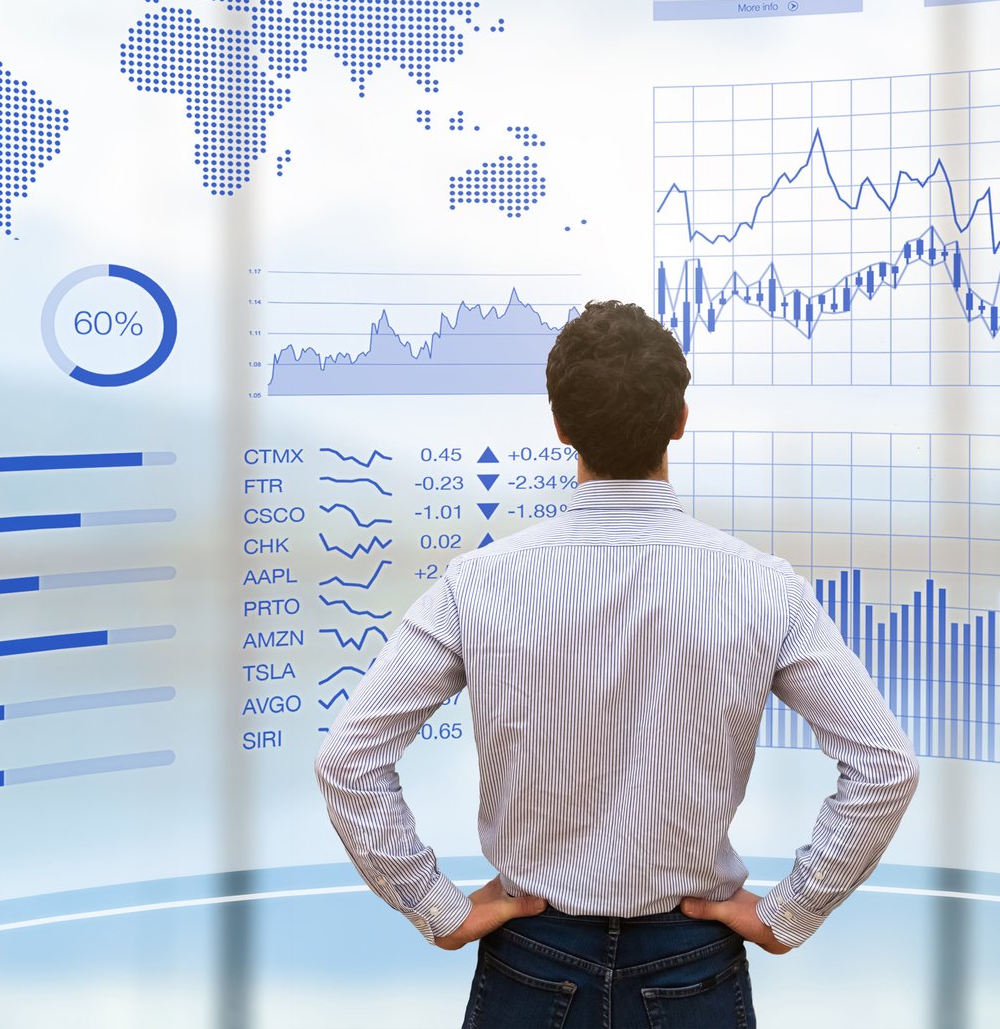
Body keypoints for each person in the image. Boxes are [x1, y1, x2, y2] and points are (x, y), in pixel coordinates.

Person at [315, 300, 920, 1027]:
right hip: (693, 966)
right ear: (680, 420)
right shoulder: (763, 587)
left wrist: (434, 905)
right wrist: (788, 912)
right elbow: (886, 766)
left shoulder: (476, 584)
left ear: (560, 427)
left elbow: (347, 761)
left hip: (528, 961)